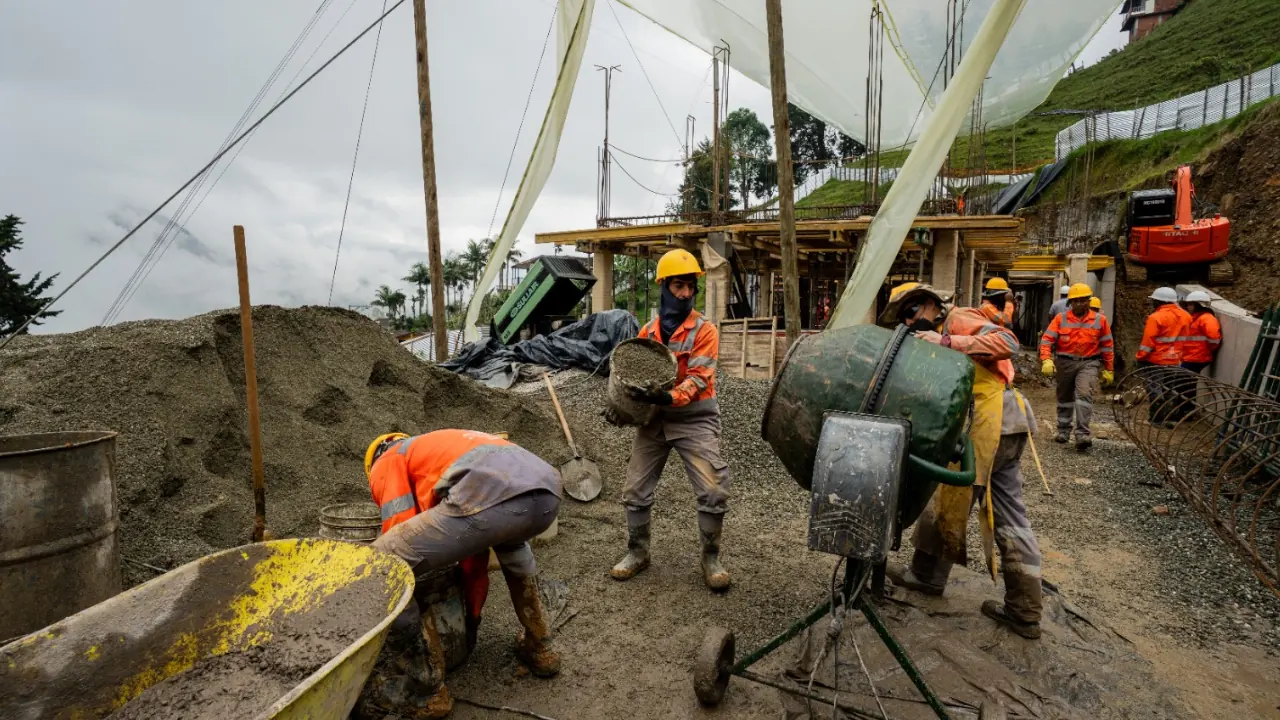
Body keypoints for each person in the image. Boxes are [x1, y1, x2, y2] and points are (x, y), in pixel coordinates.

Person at [358, 430, 563, 719]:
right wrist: (473, 617)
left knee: (386, 565)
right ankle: (541, 647)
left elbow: (399, 535)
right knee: (513, 548)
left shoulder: (388, 460)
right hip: (546, 493)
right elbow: (473, 554)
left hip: (488, 498)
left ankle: (427, 692)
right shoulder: (443, 446)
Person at [881, 283, 1044, 639]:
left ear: (929, 304)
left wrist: (950, 342)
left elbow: (1008, 343)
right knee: (1006, 512)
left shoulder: (958, 318)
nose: (909, 322)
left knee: (948, 500)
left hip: (990, 422)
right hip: (1002, 424)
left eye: (912, 312)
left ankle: (926, 578)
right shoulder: (929, 338)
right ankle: (1025, 609)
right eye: (903, 319)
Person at [608, 248, 731, 591]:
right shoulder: (647, 333)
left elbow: (700, 378)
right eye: (678, 286)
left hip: (695, 418)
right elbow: (631, 383)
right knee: (634, 489)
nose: (685, 293)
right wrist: (620, 411)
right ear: (663, 287)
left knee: (713, 489)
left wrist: (668, 396)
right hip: (654, 419)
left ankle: (711, 556)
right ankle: (638, 552)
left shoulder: (705, 330)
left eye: (690, 287)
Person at [1039, 283, 1115, 451]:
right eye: (1076, 301)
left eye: (1083, 300)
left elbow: (1107, 346)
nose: (1080, 304)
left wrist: (1109, 368)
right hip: (1064, 362)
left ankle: (1082, 434)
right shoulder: (1061, 318)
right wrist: (1046, 359)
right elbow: (1047, 340)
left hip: (1089, 362)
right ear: (1070, 302)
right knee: (1064, 397)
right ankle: (1063, 430)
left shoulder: (1099, 320)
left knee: (1084, 395)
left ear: (1089, 301)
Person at [1137, 287, 1192, 426]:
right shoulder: (1186, 316)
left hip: (1156, 360)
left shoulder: (1156, 317)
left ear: (1159, 301)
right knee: (1170, 389)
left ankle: (1156, 419)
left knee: (1154, 389)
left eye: (1154, 301)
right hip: (1175, 359)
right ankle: (1170, 418)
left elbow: (1148, 341)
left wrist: (1141, 357)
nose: (1152, 303)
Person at [1180, 290, 1222, 374]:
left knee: (1183, 383)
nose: (1188, 307)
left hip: (1196, 358)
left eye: (1191, 304)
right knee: (1186, 384)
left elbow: (1214, 339)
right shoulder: (1196, 318)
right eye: (1187, 304)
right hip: (1192, 357)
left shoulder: (1206, 318)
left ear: (1199, 305)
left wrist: (1205, 351)